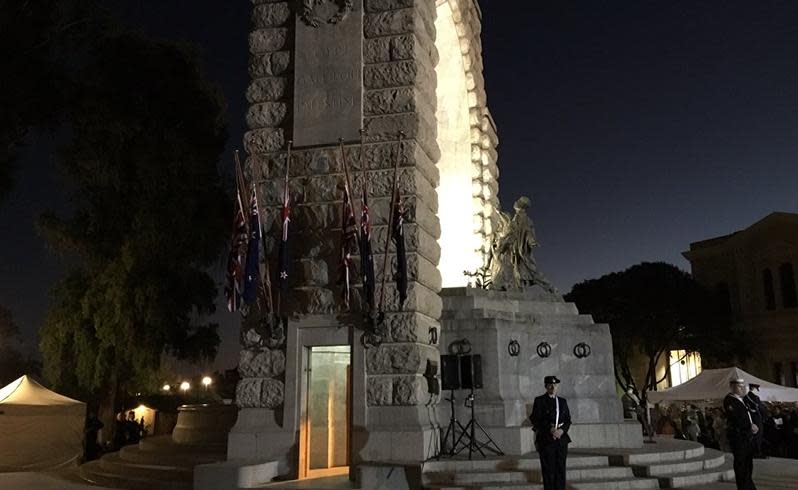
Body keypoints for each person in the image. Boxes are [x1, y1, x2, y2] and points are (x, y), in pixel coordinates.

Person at [530, 376, 572, 490]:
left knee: (560, 470)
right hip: (546, 440)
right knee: (549, 471)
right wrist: (550, 429)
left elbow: (568, 420)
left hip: (561, 440)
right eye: (550, 385)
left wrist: (561, 431)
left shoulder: (562, 401)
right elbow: (535, 419)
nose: (553, 387)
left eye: (555, 385)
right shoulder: (539, 401)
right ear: (546, 386)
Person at [724, 378, 758, 490]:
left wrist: (754, 425)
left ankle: (749, 485)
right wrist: (749, 426)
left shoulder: (742, 399)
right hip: (738, 436)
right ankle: (744, 487)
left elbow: (748, 415)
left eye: (743, 386)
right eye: (739, 386)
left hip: (747, 436)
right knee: (741, 463)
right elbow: (735, 418)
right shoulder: (730, 400)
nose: (742, 388)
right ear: (732, 386)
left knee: (748, 463)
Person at [745, 384, 767, 458]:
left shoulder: (747, 397)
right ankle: (757, 452)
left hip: (754, 419)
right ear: (754, 388)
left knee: (756, 436)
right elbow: (761, 408)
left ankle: (756, 451)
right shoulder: (754, 397)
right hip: (756, 419)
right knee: (757, 436)